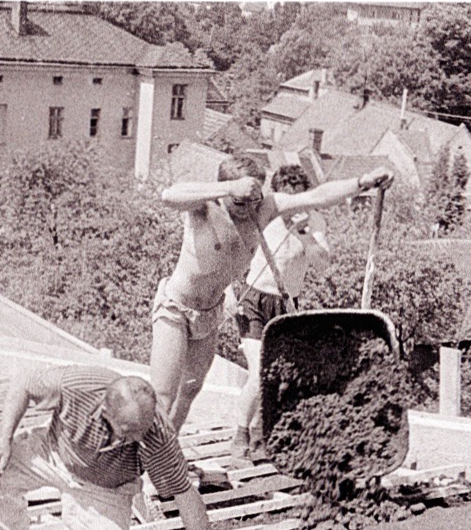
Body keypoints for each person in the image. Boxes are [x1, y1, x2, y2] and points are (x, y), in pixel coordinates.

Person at [151, 153, 391, 439]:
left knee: (190, 390)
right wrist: (229, 189)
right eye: (238, 202)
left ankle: (165, 453)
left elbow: (319, 197)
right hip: (177, 306)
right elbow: (168, 195)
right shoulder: (204, 206)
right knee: (164, 395)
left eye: (251, 200)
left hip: (209, 314)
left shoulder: (263, 209)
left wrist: (363, 182)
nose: (245, 209)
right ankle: (143, 464)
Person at [0, 363, 246, 530]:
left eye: (143, 430)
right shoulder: (77, 385)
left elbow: (184, 492)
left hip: (106, 485)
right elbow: (24, 381)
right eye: (128, 432)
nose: (138, 439)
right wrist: (3, 439)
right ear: (105, 411)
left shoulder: (156, 433)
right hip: (54, 452)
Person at [228, 163, 331, 461]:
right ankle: (241, 431)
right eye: (287, 199)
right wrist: (225, 294)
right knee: (259, 369)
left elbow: (324, 264)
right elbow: (229, 252)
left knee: (276, 374)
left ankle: (262, 431)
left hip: (287, 303)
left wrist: (305, 234)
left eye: (298, 198)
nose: (292, 206)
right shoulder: (263, 216)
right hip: (254, 299)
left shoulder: (315, 222)